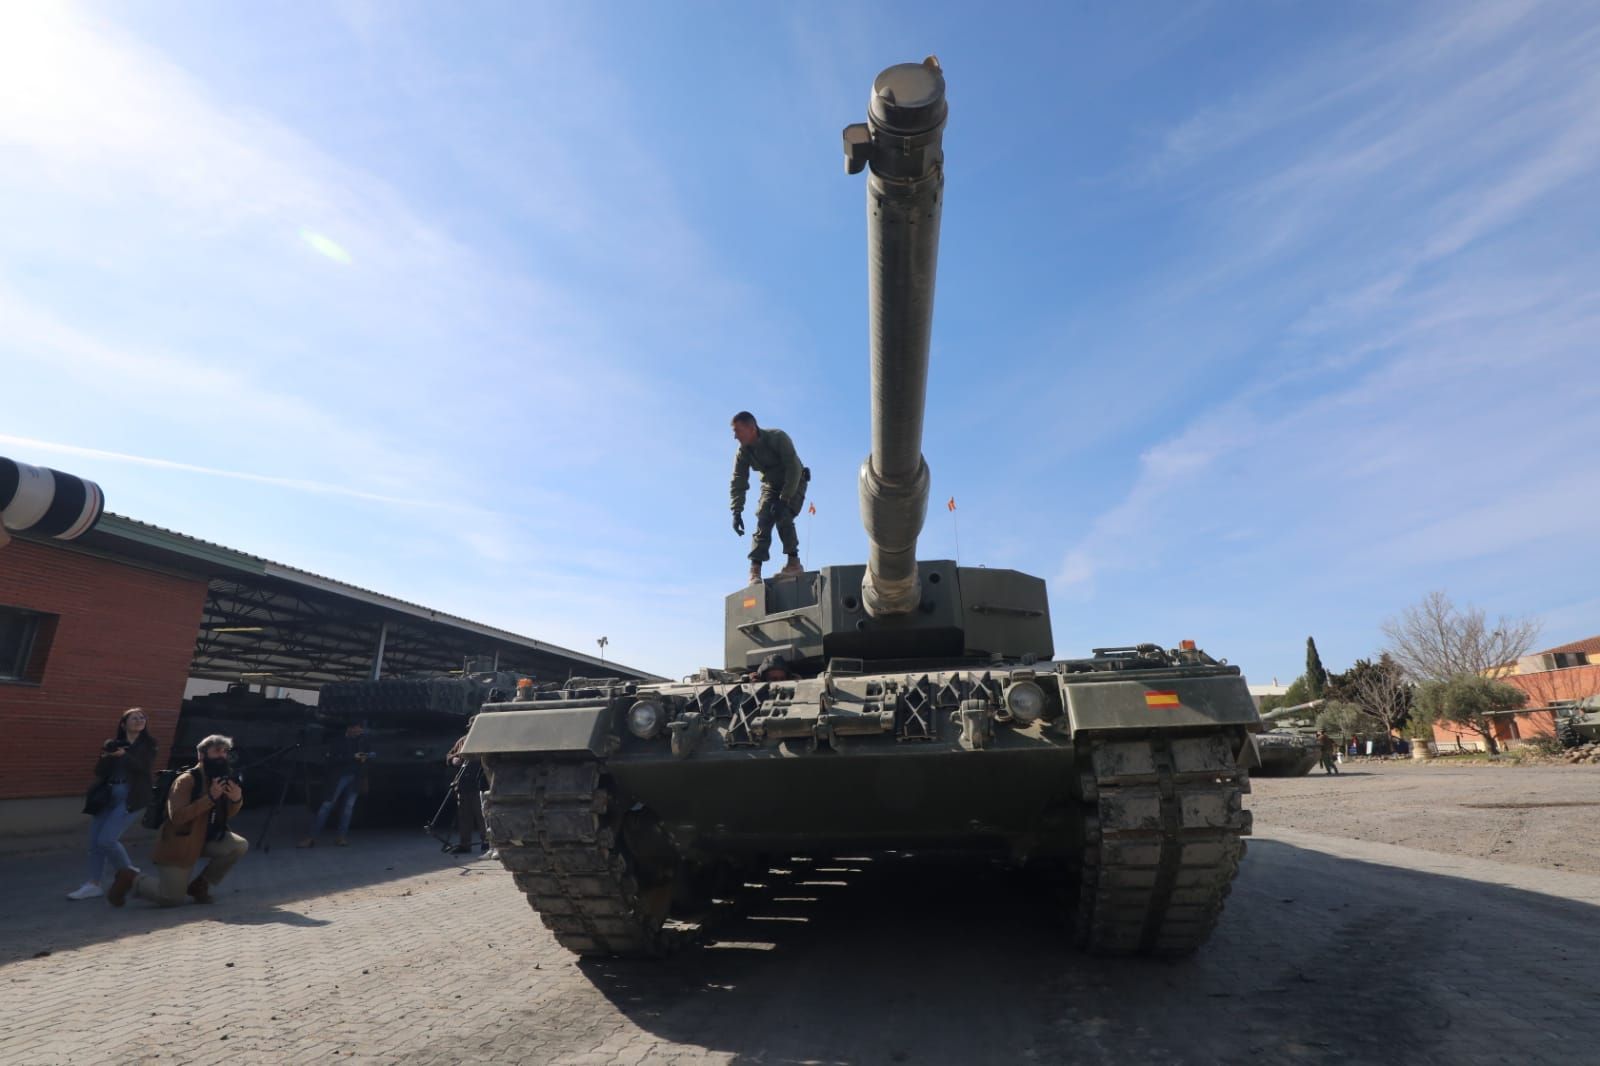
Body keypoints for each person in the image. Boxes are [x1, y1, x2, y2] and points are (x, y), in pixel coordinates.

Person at [108, 734, 246, 907]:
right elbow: (178, 817)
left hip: (206, 839)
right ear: (201, 755)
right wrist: (210, 797)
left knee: (238, 846)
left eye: (225, 751)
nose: (222, 756)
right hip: (180, 844)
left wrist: (236, 799)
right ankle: (129, 877)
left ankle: (199, 885)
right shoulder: (186, 781)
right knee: (171, 899)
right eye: (217, 751)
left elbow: (226, 814)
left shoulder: (220, 778)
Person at [67, 708, 159, 901]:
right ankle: (94, 884)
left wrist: (124, 756)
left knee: (107, 840)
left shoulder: (148, 745)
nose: (139, 720)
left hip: (131, 797)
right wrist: (106, 756)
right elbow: (99, 772)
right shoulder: (114, 744)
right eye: (134, 718)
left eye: (142, 718)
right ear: (123, 724)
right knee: (94, 843)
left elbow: (143, 768)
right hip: (107, 796)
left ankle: (128, 873)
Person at [729, 411, 810, 584]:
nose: (735, 436)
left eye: (738, 431)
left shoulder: (777, 438)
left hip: (794, 480)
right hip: (771, 485)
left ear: (752, 429)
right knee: (763, 519)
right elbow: (738, 480)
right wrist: (736, 511)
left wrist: (785, 498)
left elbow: (794, 468)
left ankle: (794, 563)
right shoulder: (743, 452)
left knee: (783, 515)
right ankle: (755, 570)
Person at [298, 721, 373, 848]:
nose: (359, 732)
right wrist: (352, 757)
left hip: (355, 777)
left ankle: (341, 837)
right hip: (339, 777)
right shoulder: (338, 741)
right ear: (350, 728)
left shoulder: (362, 740)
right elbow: (332, 759)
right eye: (357, 729)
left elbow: (370, 752)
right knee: (327, 806)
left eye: (360, 730)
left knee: (348, 809)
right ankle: (311, 837)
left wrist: (366, 756)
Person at [445, 733, 492, 857]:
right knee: (464, 816)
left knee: (482, 816)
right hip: (463, 785)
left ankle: (487, 842)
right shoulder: (462, 741)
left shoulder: (485, 740)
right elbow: (450, 755)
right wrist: (453, 759)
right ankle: (464, 844)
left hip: (479, 784)